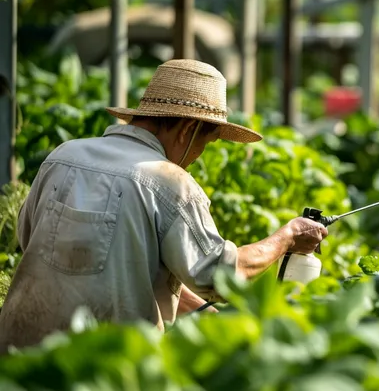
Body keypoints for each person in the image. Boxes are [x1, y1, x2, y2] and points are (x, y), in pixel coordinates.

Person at [0, 59, 327, 354]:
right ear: (188, 129)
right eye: (206, 143)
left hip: (18, 353)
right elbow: (221, 275)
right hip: (101, 366)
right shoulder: (169, 183)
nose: (199, 155)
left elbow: (38, 245)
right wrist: (288, 235)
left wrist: (201, 310)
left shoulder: (63, 156)